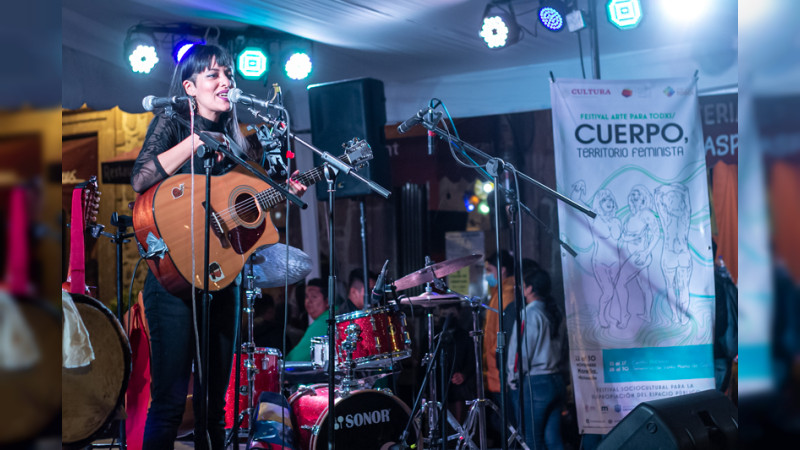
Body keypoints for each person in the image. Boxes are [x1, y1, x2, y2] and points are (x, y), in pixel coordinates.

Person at [130, 44, 306, 450]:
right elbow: (141, 179)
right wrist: (195, 142)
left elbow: (240, 210)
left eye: (228, 74)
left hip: (222, 280)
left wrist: (281, 193)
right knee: (170, 403)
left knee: (215, 406)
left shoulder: (238, 140)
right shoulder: (171, 122)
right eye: (213, 75)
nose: (225, 82)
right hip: (171, 282)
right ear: (190, 87)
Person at [506, 266, 567, 450]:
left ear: (530, 288)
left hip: (536, 383)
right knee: (554, 440)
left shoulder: (530, 313)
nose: (520, 288)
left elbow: (521, 352)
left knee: (532, 439)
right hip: (556, 379)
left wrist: (513, 377)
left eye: (522, 285)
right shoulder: (555, 311)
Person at [482, 250, 517, 437]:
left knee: (508, 426)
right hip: (496, 372)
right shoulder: (498, 294)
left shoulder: (507, 294)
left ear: (502, 270)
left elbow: (504, 336)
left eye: (489, 270)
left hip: (502, 372)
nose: (487, 275)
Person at [286, 278, 329, 362]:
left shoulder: (325, 321)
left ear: (327, 301)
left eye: (314, 296)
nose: (309, 301)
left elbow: (296, 359)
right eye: (306, 296)